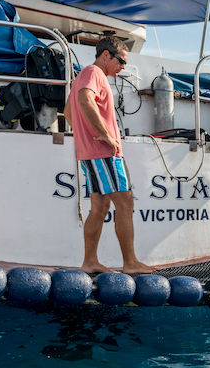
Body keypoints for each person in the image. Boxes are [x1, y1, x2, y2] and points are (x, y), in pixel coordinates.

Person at [63, 37, 154, 275]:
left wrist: (84, 135)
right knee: (125, 202)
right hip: (103, 153)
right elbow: (84, 100)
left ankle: (90, 262)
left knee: (99, 207)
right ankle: (131, 263)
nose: (123, 67)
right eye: (121, 61)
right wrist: (103, 135)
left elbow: (67, 112)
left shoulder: (85, 75)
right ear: (106, 55)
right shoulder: (94, 72)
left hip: (90, 153)